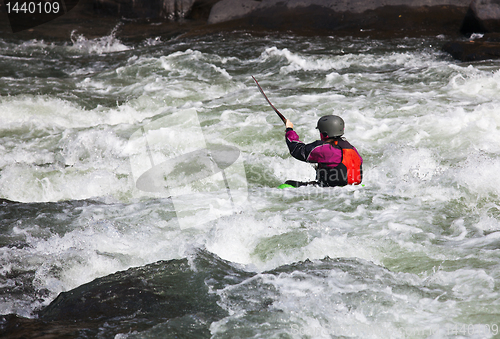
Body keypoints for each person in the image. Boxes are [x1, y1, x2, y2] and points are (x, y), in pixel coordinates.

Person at [284, 115, 362, 187]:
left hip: (329, 188)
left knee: (288, 183)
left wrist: (289, 129)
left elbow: (297, 149)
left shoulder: (324, 148)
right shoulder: (352, 148)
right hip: (351, 187)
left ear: (325, 134)